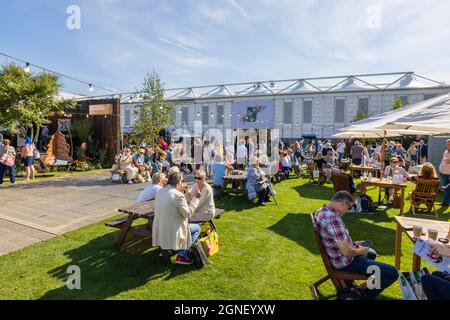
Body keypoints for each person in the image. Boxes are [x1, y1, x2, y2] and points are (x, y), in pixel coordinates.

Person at [314, 191, 398, 299]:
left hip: (338, 258)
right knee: (391, 272)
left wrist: (353, 244)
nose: (347, 211)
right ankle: (362, 294)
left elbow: (334, 241)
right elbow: (346, 252)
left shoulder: (322, 211)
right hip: (345, 263)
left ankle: (349, 283)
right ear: (343, 203)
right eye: (349, 207)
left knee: (371, 253)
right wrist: (360, 251)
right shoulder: (333, 219)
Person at [153, 172, 201, 265]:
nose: (183, 183)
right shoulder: (177, 195)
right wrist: (196, 199)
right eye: (182, 180)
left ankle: (174, 249)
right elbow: (187, 214)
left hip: (160, 229)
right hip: (173, 230)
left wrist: (184, 193)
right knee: (197, 228)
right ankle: (183, 254)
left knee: (184, 225)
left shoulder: (160, 191)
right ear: (178, 182)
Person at [438, 139, 450, 207]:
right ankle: (445, 203)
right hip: (443, 172)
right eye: (448, 144)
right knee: (445, 188)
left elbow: (448, 161)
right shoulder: (445, 151)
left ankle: (446, 202)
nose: (449, 145)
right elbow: (444, 160)